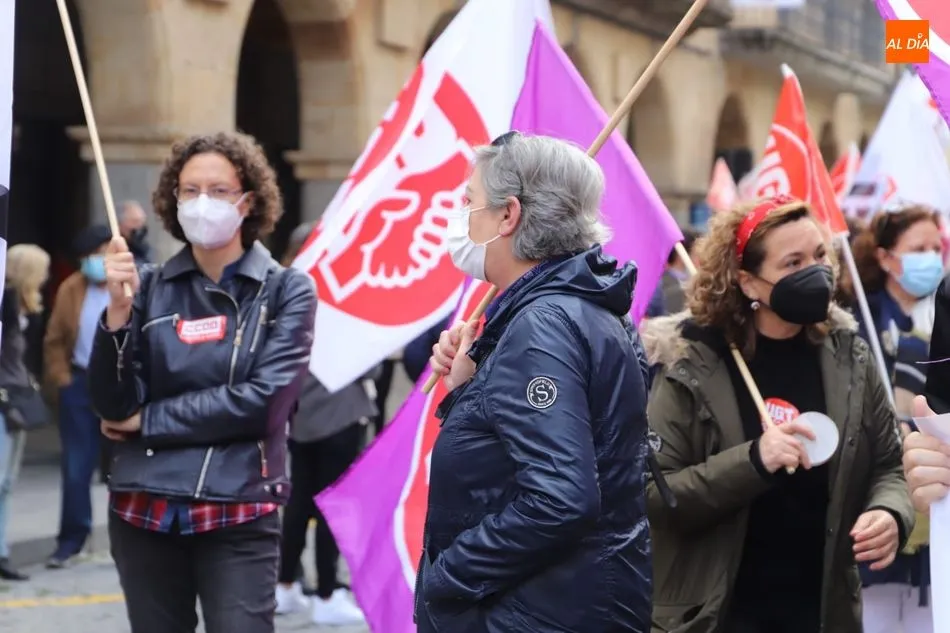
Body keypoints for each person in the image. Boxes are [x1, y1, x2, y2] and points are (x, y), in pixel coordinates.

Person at [640, 195, 914, 633]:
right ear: (748, 284)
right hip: (716, 616)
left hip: (821, 614)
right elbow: (657, 496)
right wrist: (753, 461)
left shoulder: (850, 355)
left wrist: (890, 513)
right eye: (793, 263)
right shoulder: (691, 364)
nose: (816, 271)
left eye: (820, 255)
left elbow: (888, 465)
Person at [419, 132, 652, 632]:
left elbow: (560, 499)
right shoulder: (581, 306)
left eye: (469, 202)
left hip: (535, 612)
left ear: (508, 215)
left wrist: (449, 576)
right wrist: (470, 386)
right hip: (570, 602)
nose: (461, 216)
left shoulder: (543, 324)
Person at [87, 131, 317, 633]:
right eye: (189, 191)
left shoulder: (285, 290)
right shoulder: (147, 287)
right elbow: (111, 404)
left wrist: (148, 420)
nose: (202, 202)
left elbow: (263, 404)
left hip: (239, 509)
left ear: (247, 201)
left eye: (218, 190)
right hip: (143, 508)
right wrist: (118, 314)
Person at [848, 206, 942, 632]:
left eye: (937, 248)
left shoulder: (941, 316)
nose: (932, 258)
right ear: (886, 258)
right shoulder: (855, 322)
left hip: (934, 505)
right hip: (875, 501)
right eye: (919, 249)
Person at [273, 225, 372, 625]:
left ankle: (285, 585)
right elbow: (365, 356)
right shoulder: (332, 293)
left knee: (299, 502)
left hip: (300, 416)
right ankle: (328, 592)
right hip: (337, 414)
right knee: (334, 504)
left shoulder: (282, 290)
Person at [43, 224, 113, 568]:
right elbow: (54, 338)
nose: (95, 261)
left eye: (101, 253)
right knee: (75, 468)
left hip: (120, 385)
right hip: (80, 383)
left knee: (125, 468)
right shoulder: (72, 288)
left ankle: (132, 538)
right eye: (90, 256)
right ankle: (71, 541)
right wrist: (63, 378)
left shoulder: (133, 284)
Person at [0, 244, 50, 581]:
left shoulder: (27, 309)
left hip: (17, 397)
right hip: (3, 399)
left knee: (7, 482)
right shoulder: (6, 303)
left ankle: (1, 552)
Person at [120, 201, 152, 265]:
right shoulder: (111, 247)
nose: (139, 226)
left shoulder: (145, 249)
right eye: (135, 221)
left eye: (142, 222)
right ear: (120, 224)